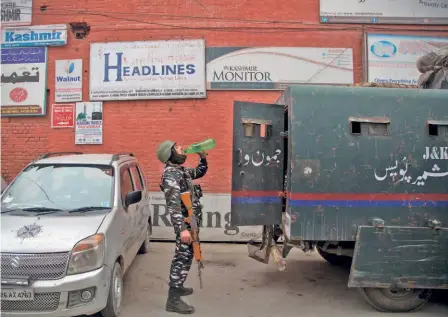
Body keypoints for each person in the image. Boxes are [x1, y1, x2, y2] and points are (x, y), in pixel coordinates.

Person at [156, 140, 208, 314]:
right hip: (184, 222)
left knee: (188, 254)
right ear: (170, 154)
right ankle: (173, 300)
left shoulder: (181, 171)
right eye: (177, 148)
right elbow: (174, 206)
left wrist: (202, 158)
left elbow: (200, 172)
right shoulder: (170, 175)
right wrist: (182, 229)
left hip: (190, 220)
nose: (182, 148)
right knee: (182, 256)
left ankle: (178, 286)